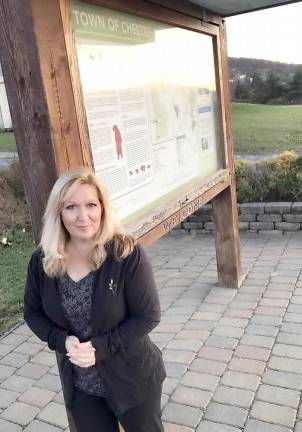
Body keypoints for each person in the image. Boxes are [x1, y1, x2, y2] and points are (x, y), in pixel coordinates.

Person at [23, 166, 166, 432]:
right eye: (71, 207)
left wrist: (100, 347)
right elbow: (32, 313)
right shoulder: (42, 261)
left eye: (91, 205)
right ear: (58, 212)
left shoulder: (125, 253)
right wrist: (61, 340)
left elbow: (148, 316)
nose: (83, 216)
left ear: (102, 208)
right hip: (81, 385)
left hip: (132, 379)